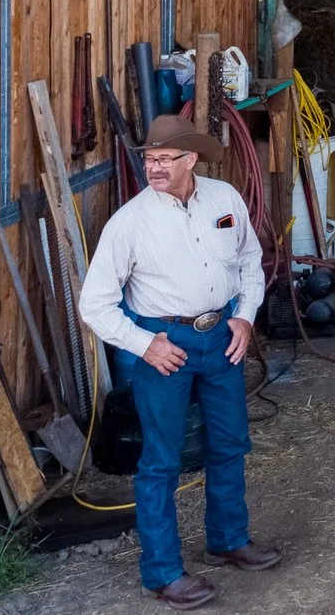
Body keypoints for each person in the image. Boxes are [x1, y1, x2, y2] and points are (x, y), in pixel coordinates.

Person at [79, 114, 280, 609]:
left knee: (230, 442)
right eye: (149, 159)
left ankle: (229, 539)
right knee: (161, 461)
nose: (155, 168)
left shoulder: (225, 199)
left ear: (191, 159)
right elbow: (94, 303)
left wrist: (247, 317)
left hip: (223, 336)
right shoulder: (129, 223)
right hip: (164, 345)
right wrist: (144, 344)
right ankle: (164, 572)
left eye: (166, 159)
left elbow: (251, 261)